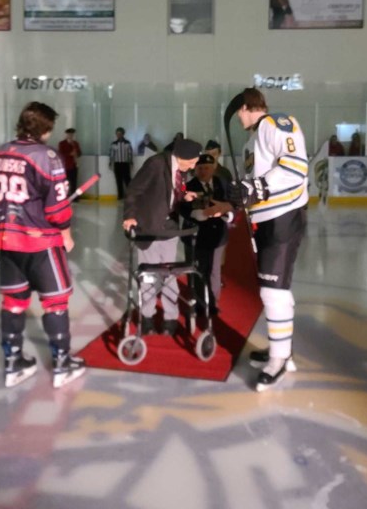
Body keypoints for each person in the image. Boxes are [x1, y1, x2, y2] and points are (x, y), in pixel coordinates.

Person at [0, 102, 85, 389]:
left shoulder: (2, 151)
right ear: (45, 128)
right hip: (41, 242)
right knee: (55, 302)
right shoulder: (47, 156)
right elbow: (57, 209)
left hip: (7, 239)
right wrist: (66, 233)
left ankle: (12, 364)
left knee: (13, 302)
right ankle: (62, 365)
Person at [226, 88, 310, 392]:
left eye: (239, 112)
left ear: (248, 107)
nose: (238, 119)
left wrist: (257, 188)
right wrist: (239, 196)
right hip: (265, 220)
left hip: (283, 218)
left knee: (273, 290)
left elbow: (295, 168)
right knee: (273, 288)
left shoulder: (276, 123)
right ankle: (281, 350)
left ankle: (279, 360)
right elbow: (256, 185)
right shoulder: (254, 138)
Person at [121, 139, 203, 336]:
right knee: (149, 275)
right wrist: (129, 216)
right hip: (148, 227)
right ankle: (147, 317)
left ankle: (170, 318)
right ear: (180, 157)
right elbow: (134, 190)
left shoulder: (180, 170)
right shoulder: (156, 164)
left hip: (170, 227)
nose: (194, 166)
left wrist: (185, 195)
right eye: (191, 162)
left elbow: (173, 190)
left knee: (169, 274)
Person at [180, 154, 234, 317]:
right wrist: (194, 214)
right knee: (197, 271)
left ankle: (212, 303)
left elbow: (232, 204)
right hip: (195, 236)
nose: (203, 171)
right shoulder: (188, 186)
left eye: (207, 168)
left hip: (217, 236)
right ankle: (198, 303)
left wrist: (227, 215)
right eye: (200, 168)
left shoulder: (222, 184)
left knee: (214, 271)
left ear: (213, 169)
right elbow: (181, 207)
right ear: (195, 169)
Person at [109, 127, 134, 199]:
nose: (118, 135)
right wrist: (110, 162)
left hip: (125, 164)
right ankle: (120, 195)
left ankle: (130, 194)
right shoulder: (114, 144)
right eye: (117, 134)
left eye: (119, 133)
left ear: (123, 134)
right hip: (117, 164)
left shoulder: (127, 143)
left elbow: (130, 153)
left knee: (127, 180)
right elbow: (111, 154)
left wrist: (131, 162)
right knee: (118, 180)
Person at [57, 128, 82, 194]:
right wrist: (69, 154)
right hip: (66, 165)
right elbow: (61, 154)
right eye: (69, 134)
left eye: (72, 134)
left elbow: (80, 153)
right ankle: (65, 195)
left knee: (74, 181)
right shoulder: (62, 143)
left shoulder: (75, 143)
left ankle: (74, 195)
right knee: (65, 181)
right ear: (66, 135)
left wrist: (76, 153)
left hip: (74, 165)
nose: (71, 135)